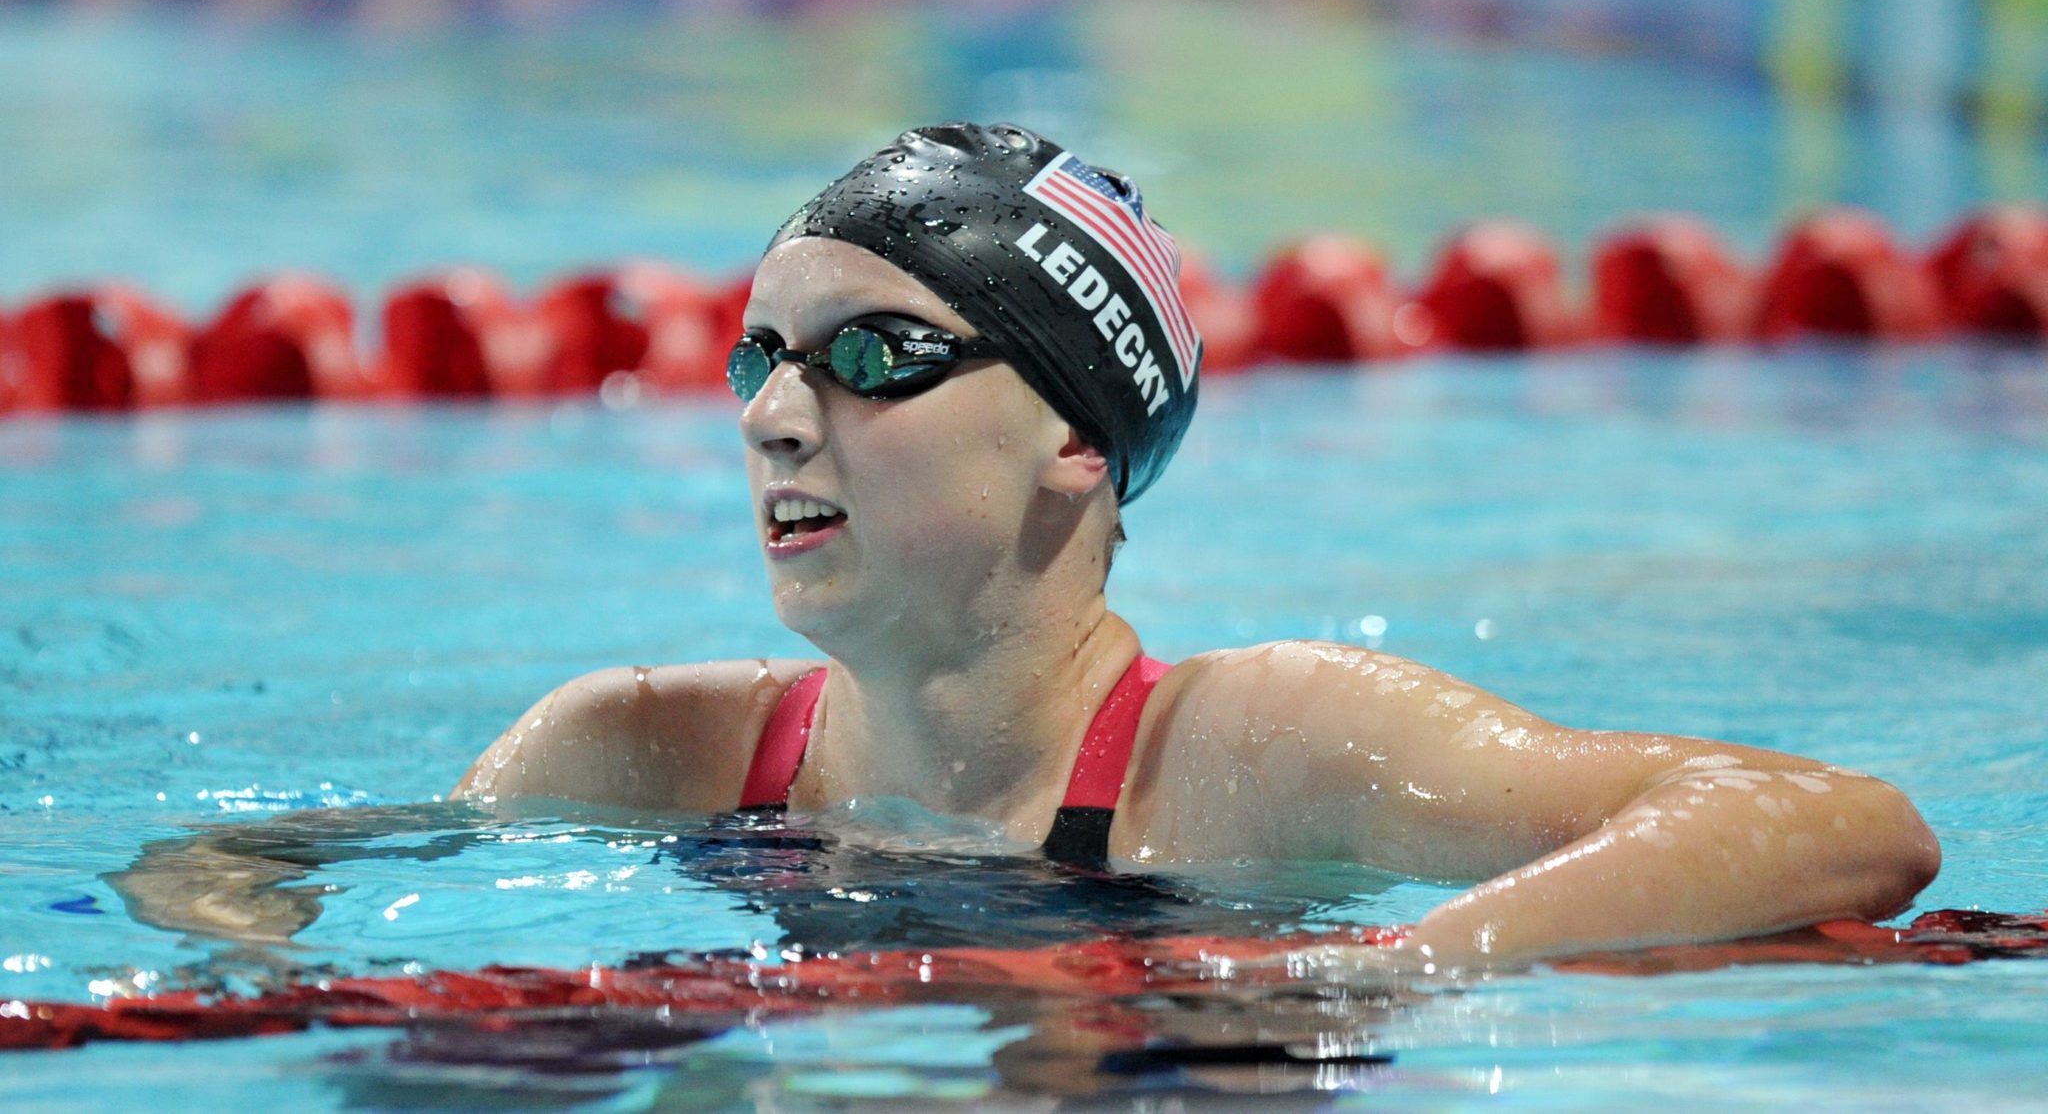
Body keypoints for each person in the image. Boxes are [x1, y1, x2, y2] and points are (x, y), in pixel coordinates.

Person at [452, 122, 1940, 971]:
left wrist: (1388, 971)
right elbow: (246, 898)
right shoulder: (629, 751)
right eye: (759, 356)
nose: (775, 416)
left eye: (877, 355)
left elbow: (1846, 822)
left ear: (1077, 443)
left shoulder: (1250, 749)